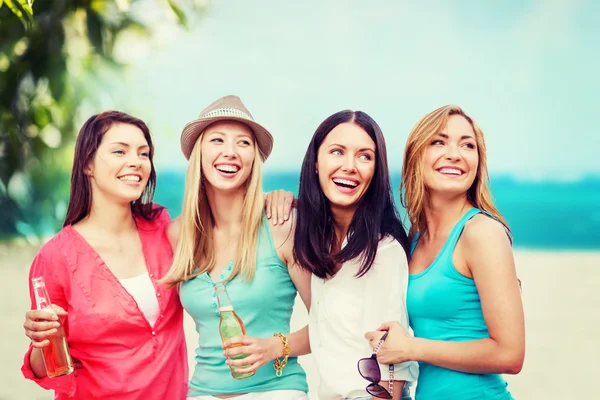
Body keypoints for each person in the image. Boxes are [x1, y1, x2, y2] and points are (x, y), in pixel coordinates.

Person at [21, 110, 294, 399]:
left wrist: (274, 198)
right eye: (119, 151)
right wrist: (42, 341)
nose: (135, 162)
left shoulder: (164, 229)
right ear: (88, 163)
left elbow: (223, 217)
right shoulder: (56, 257)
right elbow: (47, 370)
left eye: (143, 153)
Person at [366, 105, 525, 400]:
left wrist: (412, 348)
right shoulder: (414, 239)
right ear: (416, 156)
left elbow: (510, 354)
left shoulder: (482, 232)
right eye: (439, 142)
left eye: (468, 145)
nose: (455, 153)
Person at [161, 95, 311, 400]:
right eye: (217, 140)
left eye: (243, 143)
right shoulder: (178, 234)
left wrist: (275, 346)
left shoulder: (281, 225)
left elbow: (330, 322)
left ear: (253, 158)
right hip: (201, 393)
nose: (230, 152)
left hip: (277, 391)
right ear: (199, 153)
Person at [293, 110, 418, 400]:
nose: (350, 166)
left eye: (365, 156)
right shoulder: (318, 239)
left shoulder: (383, 250)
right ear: (315, 162)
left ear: (376, 172)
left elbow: (391, 364)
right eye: (337, 152)